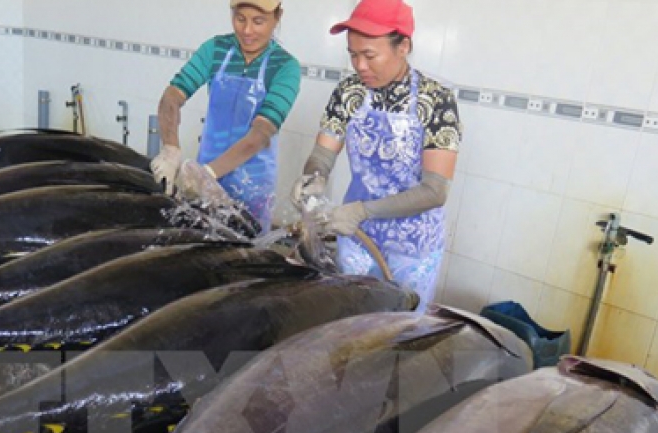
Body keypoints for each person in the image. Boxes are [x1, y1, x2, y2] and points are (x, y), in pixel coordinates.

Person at [292, 0, 462, 312]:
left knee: (400, 333)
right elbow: (322, 154)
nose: (359, 65)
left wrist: (362, 211)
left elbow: (435, 191)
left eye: (369, 55)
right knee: (354, 323)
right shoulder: (348, 93)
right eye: (353, 54)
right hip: (357, 240)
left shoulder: (436, 100)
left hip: (412, 247)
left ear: (403, 47)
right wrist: (313, 179)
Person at [150, 0, 301, 233]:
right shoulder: (216, 49)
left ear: (277, 17)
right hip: (203, 188)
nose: (247, 30)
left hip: (252, 192)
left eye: (258, 21)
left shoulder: (285, 67)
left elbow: (259, 135)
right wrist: (171, 149)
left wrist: (207, 175)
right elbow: (171, 98)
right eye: (240, 19)